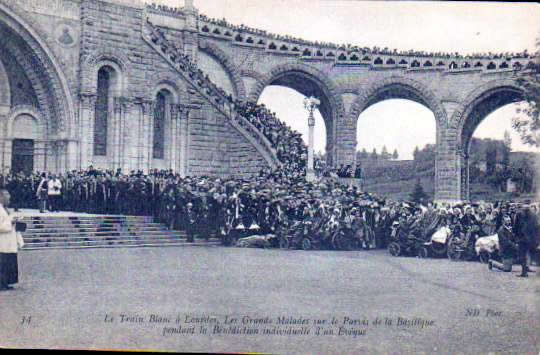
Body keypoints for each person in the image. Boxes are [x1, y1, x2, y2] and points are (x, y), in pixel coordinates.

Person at [0, 189, 24, 291]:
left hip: (9, 240)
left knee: (9, 262)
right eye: (7, 195)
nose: (9, 198)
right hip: (3, 241)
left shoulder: (6, 209)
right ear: (1, 197)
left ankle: (6, 282)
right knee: (3, 263)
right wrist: (11, 222)